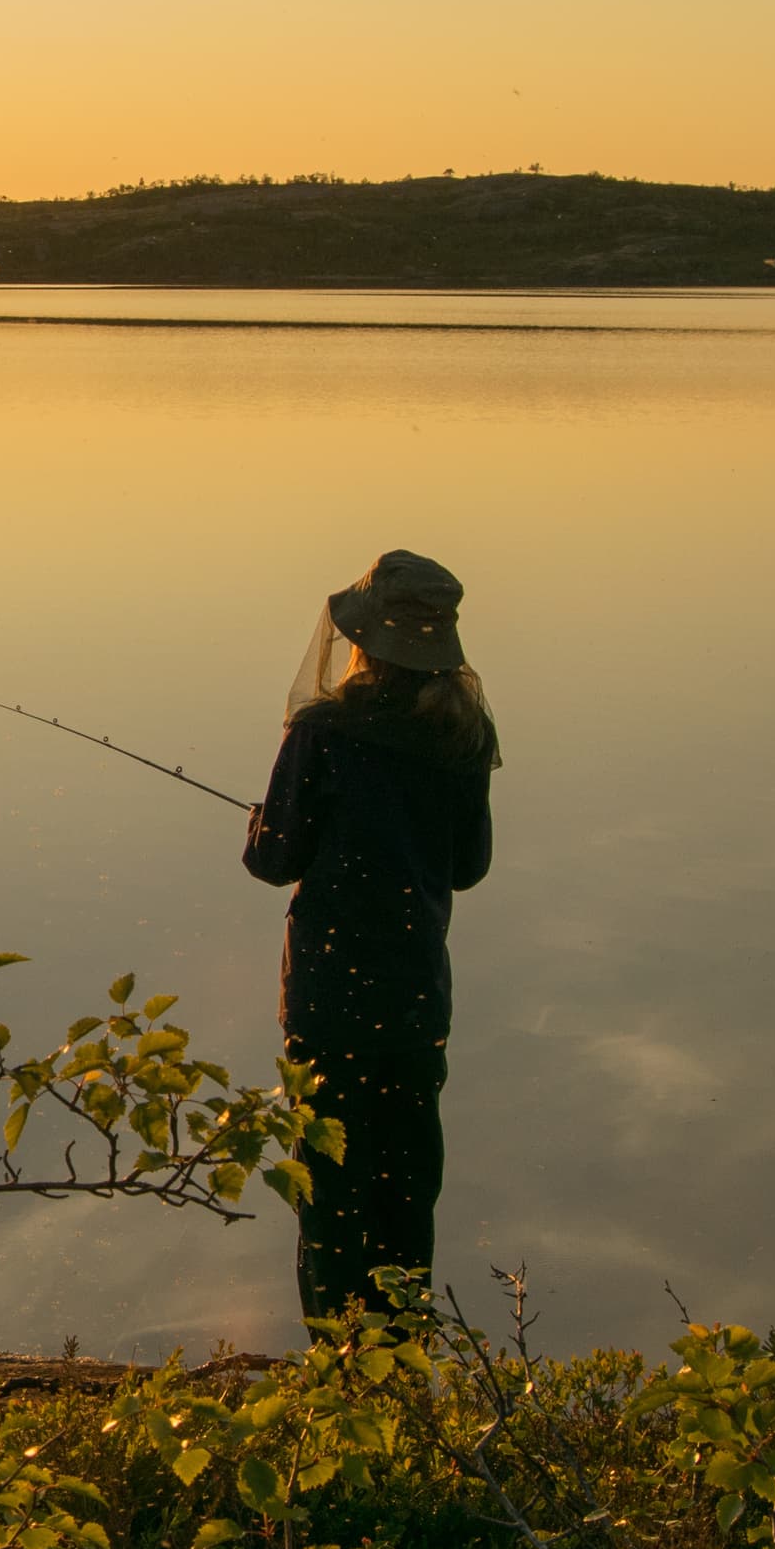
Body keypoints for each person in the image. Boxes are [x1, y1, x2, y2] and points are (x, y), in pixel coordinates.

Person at [240, 550, 498, 1323]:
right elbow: (470, 867)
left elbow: (271, 858)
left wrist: (267, 826)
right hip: (417, 1000)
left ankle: (336, 1374)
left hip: (329, 1003)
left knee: (328, 1195)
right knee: (405, 1188)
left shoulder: (323, 731)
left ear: (364, 640)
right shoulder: (464, 734)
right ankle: (401, 1369)